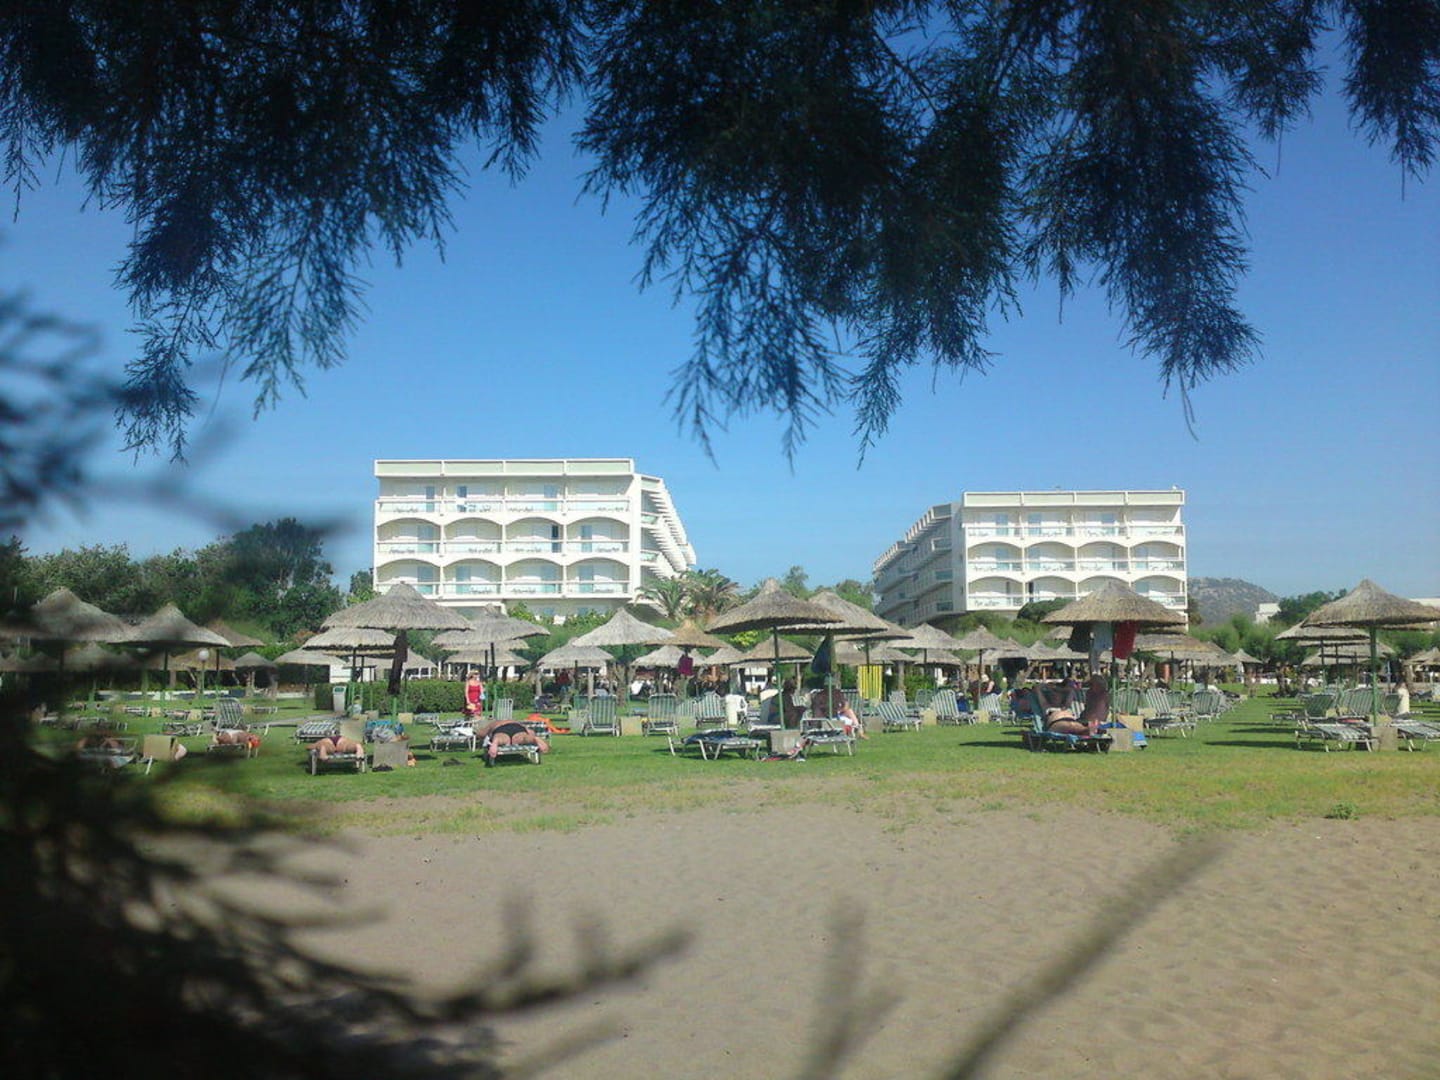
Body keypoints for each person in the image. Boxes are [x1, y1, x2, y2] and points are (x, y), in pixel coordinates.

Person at [477, 717, 549, 765]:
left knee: (502, 737)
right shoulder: (516, 722)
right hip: (517, 728)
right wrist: (532, 736)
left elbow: (481, 734)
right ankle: (535, 739)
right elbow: (530, 731)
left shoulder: (494, 723)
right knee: (523, 737)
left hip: (501, 728)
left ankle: (496, 741)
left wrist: (478, 734)